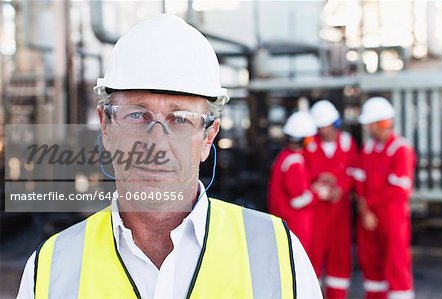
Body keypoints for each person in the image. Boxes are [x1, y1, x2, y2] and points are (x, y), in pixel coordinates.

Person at [17, 14, 322, 298]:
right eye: (137, 115)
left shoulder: (280, 255)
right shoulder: (49, 269)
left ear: (208, 137)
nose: (156, 143)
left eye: (180, 119)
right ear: (106, 127)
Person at [353, 97, 416, 299]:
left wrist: (367, 205)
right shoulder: (369, 148)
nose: (369, 129)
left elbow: (399, 190)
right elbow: (359, 181)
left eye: (371, 124)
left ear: (382, 123)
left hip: (392, 218)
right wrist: (365, 210)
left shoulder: (401, 149)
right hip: (369, 218)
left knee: (396, 265)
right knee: (371, 264)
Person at [304, 100, 358, 299]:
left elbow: (354, 172)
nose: (325, 130)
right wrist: (320, 181)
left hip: (340, 212)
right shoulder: (309, 144)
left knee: (340, 258)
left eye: (327, 125)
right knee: (313, 257)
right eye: (321, 127)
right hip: (317, 211)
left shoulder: (348, 143)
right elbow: (304, 172)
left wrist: (341, 188)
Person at [268, 111, 318, 255]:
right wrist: (317, 193)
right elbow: (297, 200)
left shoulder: (285, 156)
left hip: (285, 222)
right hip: (295, 224)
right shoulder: (295, 162)